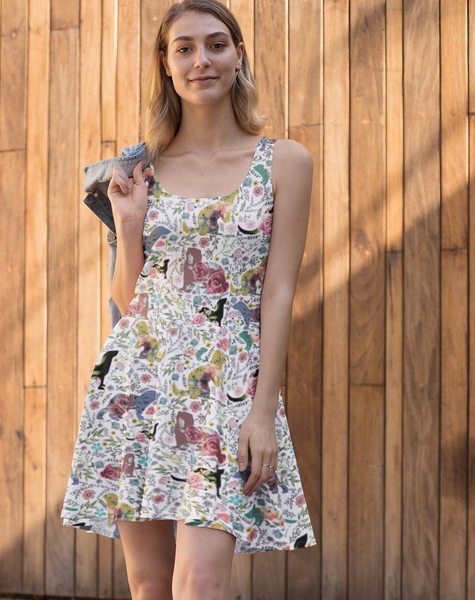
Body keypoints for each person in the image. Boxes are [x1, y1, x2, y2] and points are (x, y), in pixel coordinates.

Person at [63, 1, 315, 598]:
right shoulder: (137, 168)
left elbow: (279, 291)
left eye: (216, 44)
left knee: (200, 581)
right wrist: (127, 225)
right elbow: (131, 304)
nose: (201, 59)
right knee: (149, 584)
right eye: (185, 48)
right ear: (166, 64)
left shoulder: (284, 162)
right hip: (138, 386)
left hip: (229, 387)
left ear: (238, 54)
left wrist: (263, 408)